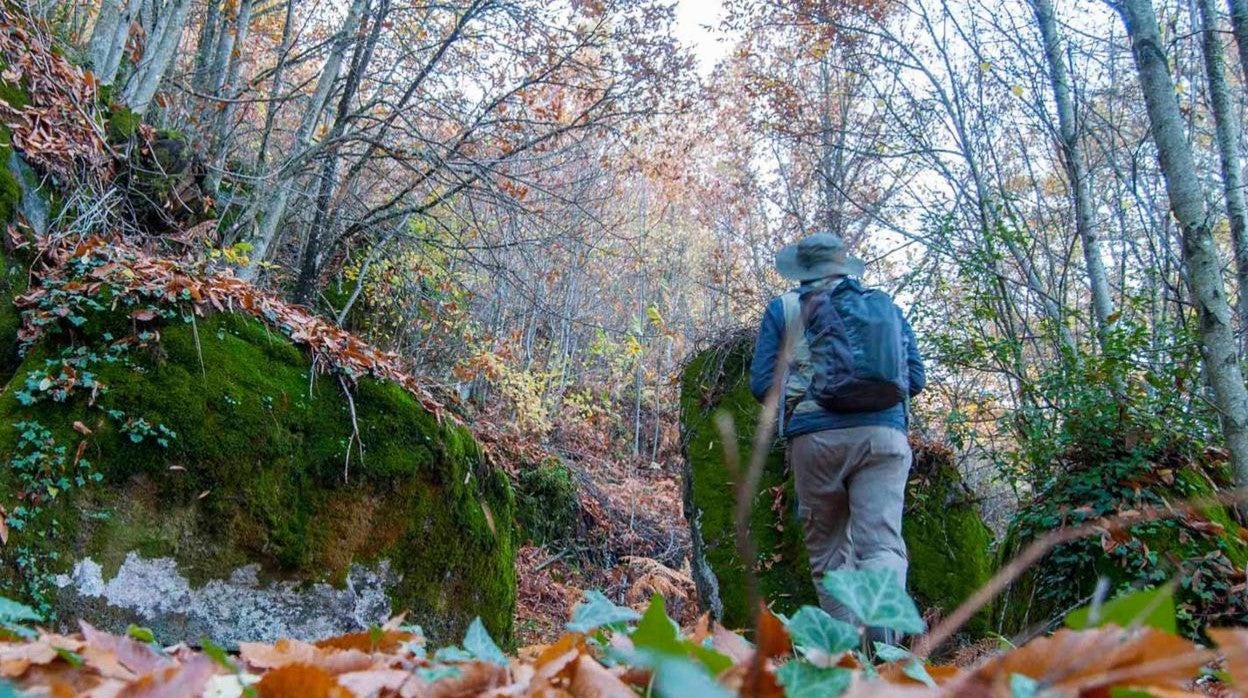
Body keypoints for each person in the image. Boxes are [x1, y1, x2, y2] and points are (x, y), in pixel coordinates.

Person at [749, 232, 925, 643]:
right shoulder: (886, 309)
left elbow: (762, 386)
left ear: (802, 270)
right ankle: (886, 654)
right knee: (881, 547)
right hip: (884, 437)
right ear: (845, 267)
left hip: (817, 441)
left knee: (829, 554)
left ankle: (847, 659)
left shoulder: (786, 308)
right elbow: (914, 379)